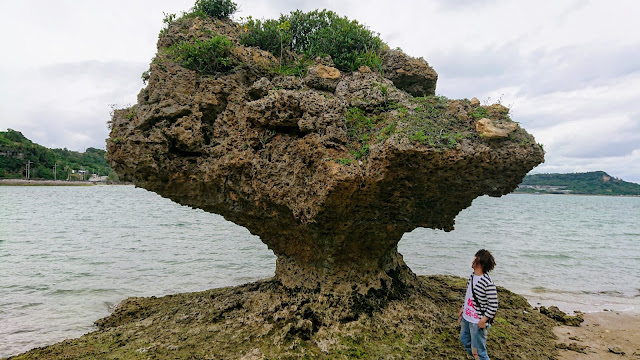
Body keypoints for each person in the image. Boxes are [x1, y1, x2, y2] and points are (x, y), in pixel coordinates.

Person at [458, 249, 498, 360]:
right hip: (467, 317)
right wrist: (463, 307)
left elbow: (493, 305)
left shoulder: (487, 283)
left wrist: (483, 320)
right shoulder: (472, 276)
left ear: (479, 262)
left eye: (475, 258)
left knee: (479, 351)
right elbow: (469, 295)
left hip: (477, 322)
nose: (472, 259)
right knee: (464, 340)